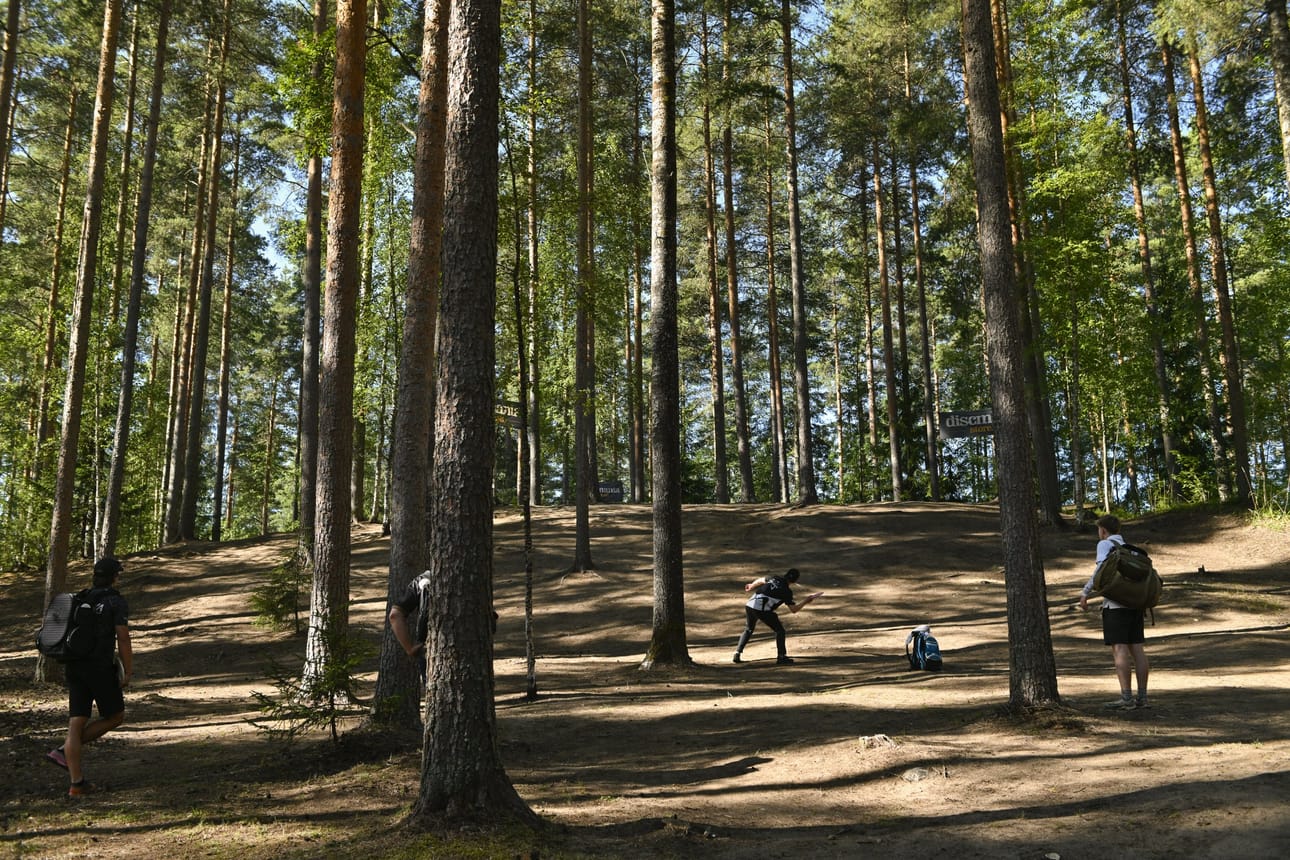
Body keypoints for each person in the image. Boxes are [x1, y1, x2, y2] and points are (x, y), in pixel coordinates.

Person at [45, 556, 133, 797]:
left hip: (74, 665)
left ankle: (76, 783)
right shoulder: (115, 601)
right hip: (100, 668)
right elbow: (123, 637)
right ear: (115, 577)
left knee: (76, 722)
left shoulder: (82, 597)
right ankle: (63, 751)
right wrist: (128, 670)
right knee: (115, 716)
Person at [1079, 514, 1150, 710]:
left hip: (1115, 606)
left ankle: (1126, 697)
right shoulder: (1130, 549)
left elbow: (1100, 570)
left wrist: (1085, 592)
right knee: (1137, 650)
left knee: (1120, 649)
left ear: (1103, 530)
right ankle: (1142, 697)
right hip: (1135, 604)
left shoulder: (1105, 544)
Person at [732, 568, 822, 665]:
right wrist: (806, 601)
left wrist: (751, 585)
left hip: (750, 605)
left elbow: (761, 580)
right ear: (795, 581)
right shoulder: (786, 592)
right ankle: (781, 657)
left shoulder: (774, 578)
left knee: (748, 629)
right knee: (780, 631)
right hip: (762, 610)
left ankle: (737, 653)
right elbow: (794, 610)